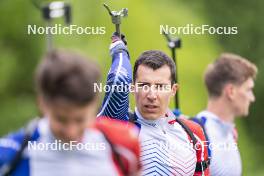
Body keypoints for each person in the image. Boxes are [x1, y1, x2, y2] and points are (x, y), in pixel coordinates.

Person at [0, 49, 141, 176]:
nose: (71, 132)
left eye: (80, 120)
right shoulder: (9, 154)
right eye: (61, 119)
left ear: (94, 104)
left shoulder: (125, 143)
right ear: (42, 103)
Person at [97, 34, 210, 176]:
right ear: (132, 88)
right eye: (144, 85)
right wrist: (119, 51)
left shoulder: (193, 132)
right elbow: (119, 79)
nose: (151, 95)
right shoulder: (120, 125)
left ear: (173, 90)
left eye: (160, 86)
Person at [194, 53, 258, 176]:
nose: (252, 98)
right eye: (248, 90)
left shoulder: (231, 134)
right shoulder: (197, 137)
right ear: (231, 92)